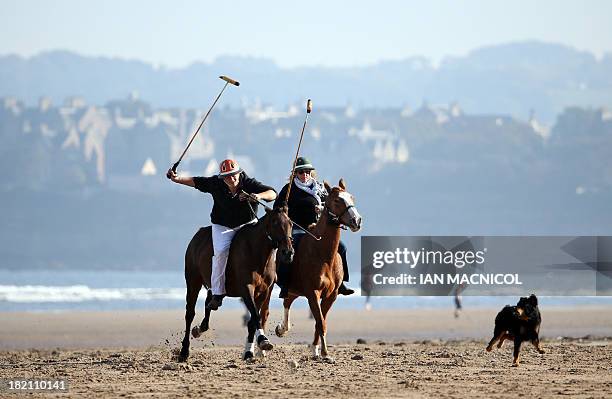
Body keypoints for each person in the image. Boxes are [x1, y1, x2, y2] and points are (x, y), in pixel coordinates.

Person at [167, 159, 277, 310]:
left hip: (247, 224)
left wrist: (258, 196)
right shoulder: (216, 183)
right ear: (222, 177)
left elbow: (273, 193)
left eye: (233, 175)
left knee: (268, 243)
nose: (231, 178)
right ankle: (217, 294)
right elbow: (195, 181)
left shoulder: (249, 183)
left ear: (239, 173)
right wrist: (176, 178)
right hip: (222, 226)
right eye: (226, 176)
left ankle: (272, 277)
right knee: (221, 252)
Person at [273, 156, 354, 298]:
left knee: (341, 247)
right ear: (295, 174)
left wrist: (321, 209)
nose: (305, 175)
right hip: (298, 229)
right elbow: (277, 210)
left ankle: (341, 283)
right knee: (291, 250)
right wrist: (284, 208)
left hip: (319, 229)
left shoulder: (320, 188)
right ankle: (285, 285)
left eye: (308, 172)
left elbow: (331, 206)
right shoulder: (289, 189)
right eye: (301, 172)